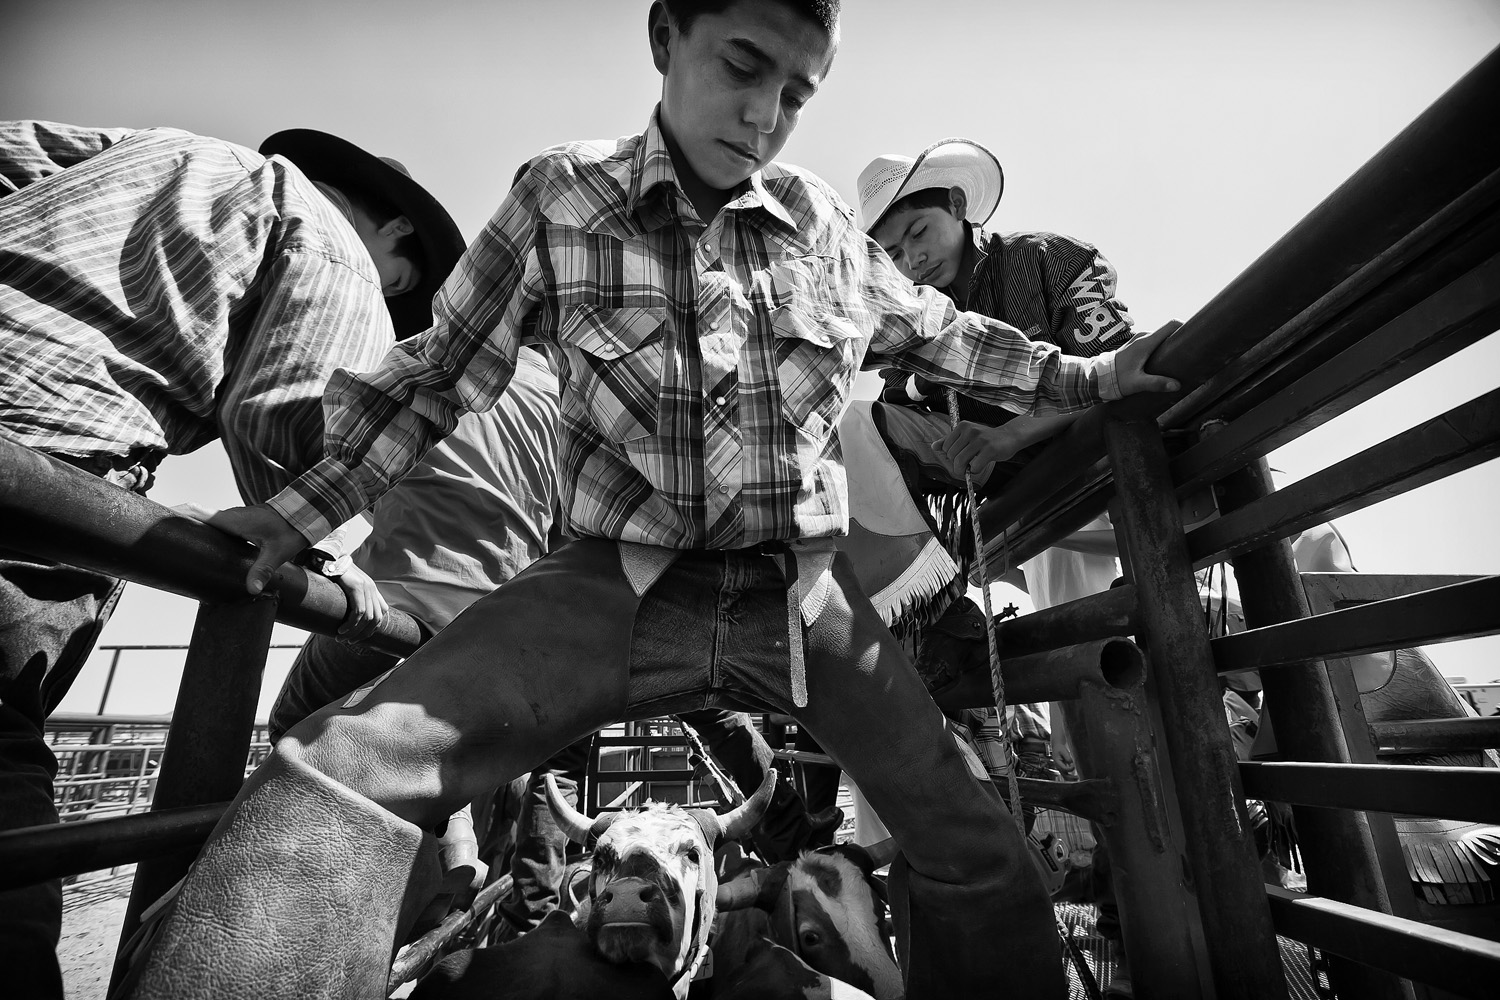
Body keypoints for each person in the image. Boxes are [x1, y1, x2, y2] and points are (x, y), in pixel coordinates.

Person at [124, 3, 1180, 997]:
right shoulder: (559, 195)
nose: (767, 115)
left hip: (798, 594)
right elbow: (439, 374)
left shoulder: (816, 223)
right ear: (665, 35)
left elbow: (947, 333)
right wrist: (294, 514)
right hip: (611, 580)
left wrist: (1092, 379)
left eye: (800, 91)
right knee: (335, 775)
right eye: (743, 66)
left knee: (975, 851)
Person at [0, 120, 464, 999]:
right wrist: (320, 549)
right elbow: (293, 411)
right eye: (402, 290)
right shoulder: (330, 242)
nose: (390, 301)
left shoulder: (141, 147)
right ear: (395, 233)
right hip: (42, 461)